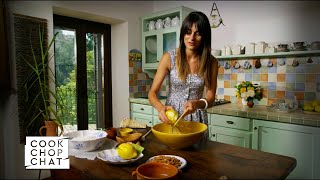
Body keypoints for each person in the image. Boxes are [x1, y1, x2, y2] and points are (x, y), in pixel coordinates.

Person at [148, 11, 219, 125]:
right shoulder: (169, 58)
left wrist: (196, 104)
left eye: (198, 33)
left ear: (204, 36)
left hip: (197, 118)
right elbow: (152, 93)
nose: (192, 38)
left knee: (197, 143)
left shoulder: (211, 62)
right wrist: (161, 108)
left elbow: (210, 99)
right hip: (171, 116)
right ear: (183, 34)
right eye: (188, 32)